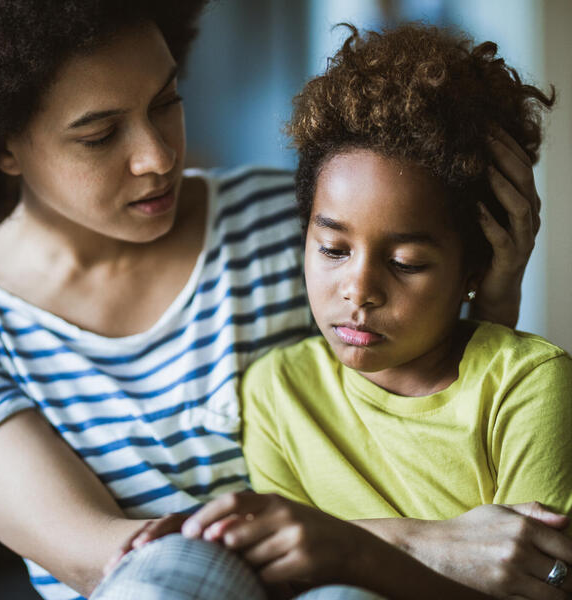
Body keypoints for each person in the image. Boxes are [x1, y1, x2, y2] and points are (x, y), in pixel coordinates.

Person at [0, 2, 562, 598]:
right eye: (99, 135)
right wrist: (410, 545)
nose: (157, 154)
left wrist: (488, 299)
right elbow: (108, 559)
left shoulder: (288, 223)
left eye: (166, 102)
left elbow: (422, 404)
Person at [169, 23, 572, 600]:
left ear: (476, 266)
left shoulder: (528, 385)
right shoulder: (276, 393)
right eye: (332, 249)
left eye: (406, 262)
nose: (358, 290)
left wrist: (351, 550)